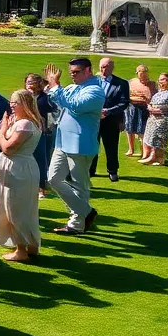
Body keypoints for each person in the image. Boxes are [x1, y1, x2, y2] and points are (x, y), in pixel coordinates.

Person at [45, 59, 106, 235]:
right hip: (62, 142)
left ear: (88, 71)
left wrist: (56, 87)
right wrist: (50, 89)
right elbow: (59, 102)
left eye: (77, 72)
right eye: (71, 72)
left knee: (79, 185)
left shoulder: (95, 91)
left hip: (80, 145)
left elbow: (76, 106)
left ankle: (77, 223)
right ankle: (87, 212)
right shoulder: (72, 88)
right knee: (53, 179)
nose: (73, 75)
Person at [0, 90, 44, 262]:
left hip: (18, 169)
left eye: (16, 102)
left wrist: (3, 129)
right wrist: (3, 133)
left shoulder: (24, 124)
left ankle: (21, 250)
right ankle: (32, 245)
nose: (11, 105)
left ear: (25, 103)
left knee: (15, 208)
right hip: (18, 167)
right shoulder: (22, 122)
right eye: (11, 102)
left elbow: (7, 147)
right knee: (24, 208)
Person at [90, 57, 130, 182]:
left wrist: (108, 111)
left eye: (106, 67)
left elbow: (124, 102)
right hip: (93, 120)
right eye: (102, 67)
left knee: (111, 146)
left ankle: (113, 171)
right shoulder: (93, 81)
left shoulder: (121, 83)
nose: (104, 70)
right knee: (92, 145)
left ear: (112, 68)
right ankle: (91, 169)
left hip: (111, 120)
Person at [25, 73, 56, 196]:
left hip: (42, 133)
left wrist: (48, 128)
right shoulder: (23, 97)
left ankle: (41, 187)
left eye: (32, 82)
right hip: (25, 131)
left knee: (41, 159)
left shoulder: (45, 99)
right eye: (28, 82)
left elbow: (52, 114)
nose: (29, 85)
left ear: (39, 85)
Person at [140, 72, 168, 166]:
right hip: (153, 118)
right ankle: (152, 156)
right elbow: (151, 103)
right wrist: (149, 107)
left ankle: (157, 158)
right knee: (149, 133)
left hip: (164, 119)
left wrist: (155, 110)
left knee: (157, 135)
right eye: (160, 79)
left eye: (163, 79)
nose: (161, 82)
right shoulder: (159, 93)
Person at [125, 64, 158, 157]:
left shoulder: (152, 84)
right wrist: (137, 98)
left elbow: (152, 97)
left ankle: (144, 151)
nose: (142, 78)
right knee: (129, 129)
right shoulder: (132, 82)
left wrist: (144, 99)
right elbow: (126, 95)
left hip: (145, 109)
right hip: (132, 108)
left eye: (144, 74)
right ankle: (131, 149)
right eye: (140, 74)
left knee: (143, 131)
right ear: (137, 73)